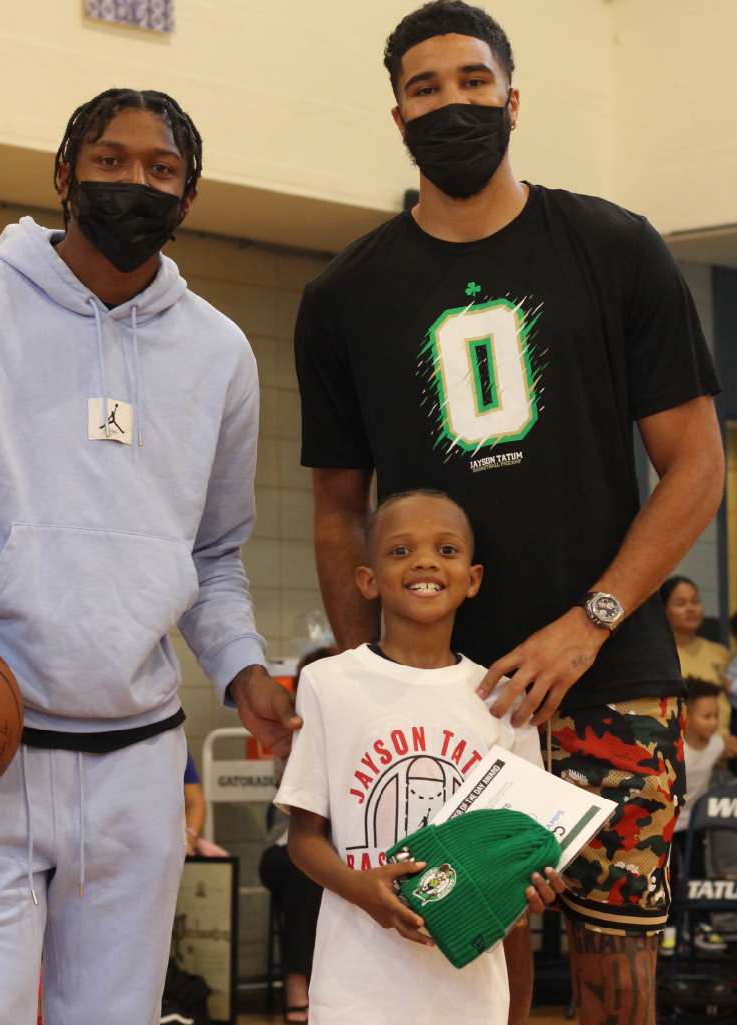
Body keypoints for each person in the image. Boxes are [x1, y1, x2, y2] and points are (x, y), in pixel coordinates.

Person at [0, 88, 301, 1025]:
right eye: (111, 160)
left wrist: (242, 670)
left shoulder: (221, 353)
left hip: (139, 757)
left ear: (189, 198)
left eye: (162, 170)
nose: (135, 182)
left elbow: (215, 554)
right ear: (65, 174)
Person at [295, 3, 723, 1021]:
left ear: (513, 98)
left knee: (617, 968)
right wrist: (367, 692)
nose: (453, 103)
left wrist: (592, 620)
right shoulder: (343, 293)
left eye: (473, 81)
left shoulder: (614, 246)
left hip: (608, 674)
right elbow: (334, 512)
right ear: (395, 114)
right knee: (472, 967)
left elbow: (696, 465)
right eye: (426, 87)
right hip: (450, 700)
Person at [276, 490, 564, 1025]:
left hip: (470, 992)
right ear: (368, 580)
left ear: (473, 578)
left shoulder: (504, 701)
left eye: (446, 550)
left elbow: (524, 860)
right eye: (401, 551)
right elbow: (303, 838)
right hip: (356, 985)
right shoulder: (328, 683)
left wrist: (532, 885)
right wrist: (362, 890)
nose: (426, 561)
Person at [259, 646, 334, 1025]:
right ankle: (296, 990)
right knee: (307, 869)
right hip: (285, 847)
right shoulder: (296, 728)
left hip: (341, 848)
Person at [661, 678, 736, 956]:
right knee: (670, 875)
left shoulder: (716, 745)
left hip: (695, 825)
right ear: (685, 718)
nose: (714, 723)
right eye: (706, 716)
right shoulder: (674, 746)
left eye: (716, 716)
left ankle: (700, 926)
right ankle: (668, 929)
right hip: (667, 823)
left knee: (696, 873)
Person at [661, 575, 733, 740]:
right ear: (663, 612)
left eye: (695, 601)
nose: (690, 608)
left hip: (725, 748)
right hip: (684, 751)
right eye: (681, 604)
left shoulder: (720, 653)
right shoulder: (660, 657)